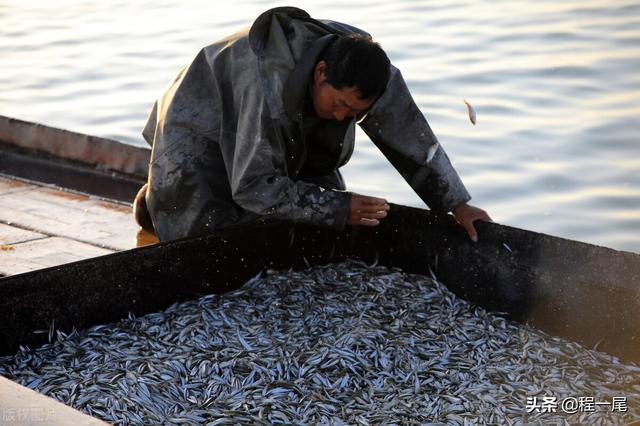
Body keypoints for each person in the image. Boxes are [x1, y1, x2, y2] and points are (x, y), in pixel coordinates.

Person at [134, 6, 491, 246]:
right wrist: (337, 208)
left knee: (318, 225)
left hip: (282, 128)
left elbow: (413, 139)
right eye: (339, 105)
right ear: (321, 73)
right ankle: (156, 201)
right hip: (197, 125)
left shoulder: (372, 73)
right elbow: (253, 186)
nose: (342, 117)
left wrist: (457, 205)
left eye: (355, 113)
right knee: (203, 241)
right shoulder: (265, 86)